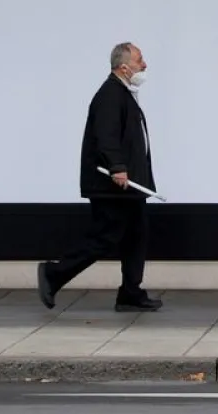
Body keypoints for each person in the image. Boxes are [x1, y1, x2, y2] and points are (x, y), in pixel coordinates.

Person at [36, 41, 162, 313]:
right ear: (124, 67)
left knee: (136, 235)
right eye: (140, 60)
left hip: (131, 186)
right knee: (106, 236)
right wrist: (117, 167)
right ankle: (54, 273)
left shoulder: (124, 93)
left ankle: (130, 293)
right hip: (112, 185)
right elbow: (105, 135)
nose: (145, 65)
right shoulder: (110, 95)